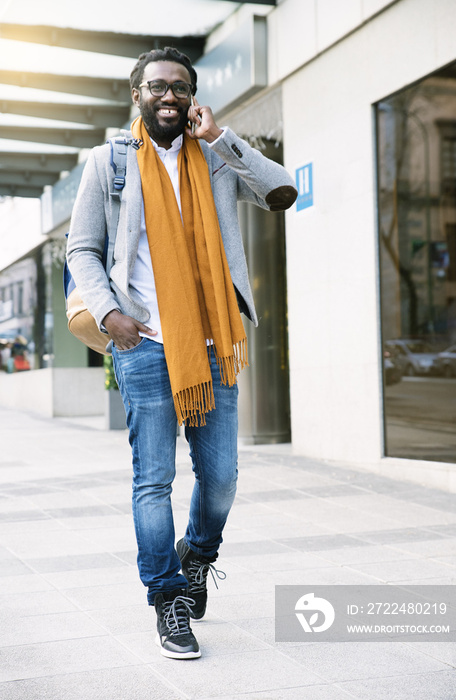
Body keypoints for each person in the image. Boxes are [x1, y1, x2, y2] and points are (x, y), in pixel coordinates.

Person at [67, 46, 297, 660]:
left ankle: (198, 553)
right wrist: (110, 313)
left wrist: (224, 139)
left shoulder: (215, 158)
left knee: (220, 479)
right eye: (156, 86)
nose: (168, 95)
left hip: (215, 343)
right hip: (143, 344)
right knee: (154, 479)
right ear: (137, 94)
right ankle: (168, 599)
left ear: (193, 96)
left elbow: (282, 192)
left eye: (179, 87)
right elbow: (81, 249)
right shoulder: (108, 162)